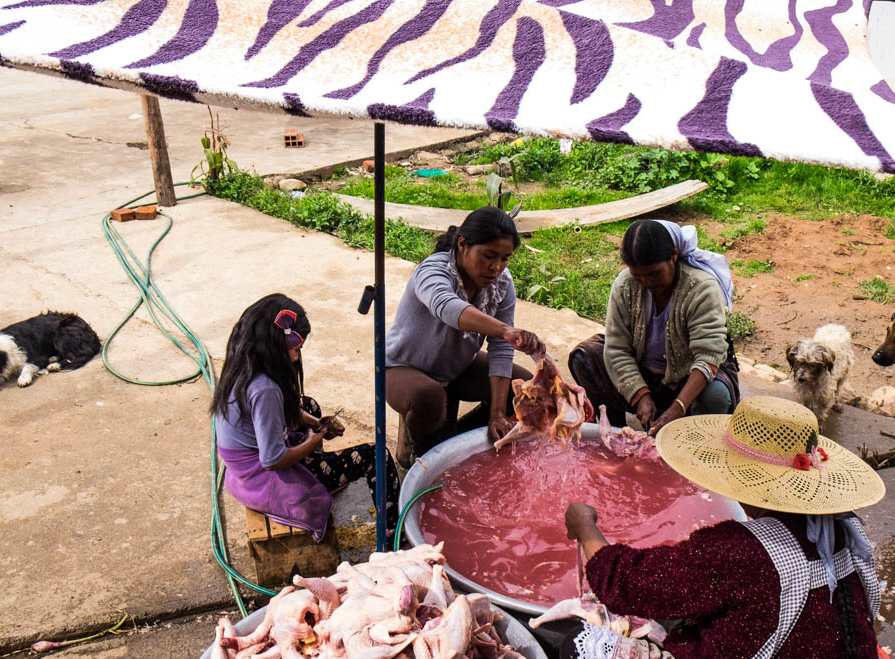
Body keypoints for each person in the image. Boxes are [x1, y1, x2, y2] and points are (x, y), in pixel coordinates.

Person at [561, 395, 886, 659]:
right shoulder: (846, 530)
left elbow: (624, 583)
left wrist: (586, 526)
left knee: (583, 648)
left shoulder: (741, 551)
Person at [212, 294, 399, 543]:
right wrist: (312, 441)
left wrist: (314, 423)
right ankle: (393, 537)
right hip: (262, 478)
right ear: (275, 347)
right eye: (295, 350)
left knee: (308, 405)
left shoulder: (243, 364)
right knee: (377, 456)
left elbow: (281, 415)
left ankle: (320, 465)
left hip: (244, 467)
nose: (296, 358)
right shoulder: (265, 389)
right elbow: (273, 459)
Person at [386, 206, 546, 459]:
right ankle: (424, 457)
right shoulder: (433, 270)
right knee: (428, 398)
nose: (496, 267)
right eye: (489, 256)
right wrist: (505, 330)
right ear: (463, 245)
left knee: (527, 393)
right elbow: (447, 308)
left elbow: (501, 350)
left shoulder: (502, 283)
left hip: (457, 369)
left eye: (505, 259)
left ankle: (462, 444)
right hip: (402, 368)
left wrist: (496, 414)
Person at [569, 219, 740, 436]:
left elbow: (708, 357)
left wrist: (678, 407)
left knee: (715, 396)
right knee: (585, 358)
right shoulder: (625, 285)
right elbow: (617, 349)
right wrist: (640, 394)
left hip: (686, 378)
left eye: (654, 274)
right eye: (638, 276)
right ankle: (616, 433)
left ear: (674, 256)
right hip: (646, 374)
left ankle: (690, 440)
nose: (647, 283)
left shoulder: (700, 288)